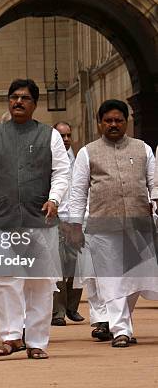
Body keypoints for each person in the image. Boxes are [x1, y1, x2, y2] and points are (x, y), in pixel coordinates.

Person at [0, 79, 69, 359]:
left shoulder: (48, 135)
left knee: (39, 283)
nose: (18, 102)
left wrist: (55, 199)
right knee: (3, 281)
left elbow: (62, 172)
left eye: (25, 98)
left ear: (34, 104)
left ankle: (37, 342)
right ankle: (11, 337)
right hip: (2, 221)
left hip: (39, 220)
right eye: (13, 97)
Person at [69, 99, 158, 348]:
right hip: (103, 228)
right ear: (100, 123)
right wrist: (75, 225)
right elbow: (78, 193)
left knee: (135, 279)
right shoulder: (88, 152)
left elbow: (155, 185)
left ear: (126, 122)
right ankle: (121, 330)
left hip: (139, 225)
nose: (113, 124)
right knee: (111, 280)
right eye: (108, 120)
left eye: (118, 120)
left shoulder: (143, 149)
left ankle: (123, 324)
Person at [51, 121, 85, 326]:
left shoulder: (78, 159)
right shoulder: (49, 159)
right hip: (55, 221)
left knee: (76, 266)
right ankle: (58, 312)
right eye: (61, 136)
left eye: (68, 136)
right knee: (57, 268)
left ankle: (73, 308)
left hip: (75, 221)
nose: (65, 140)